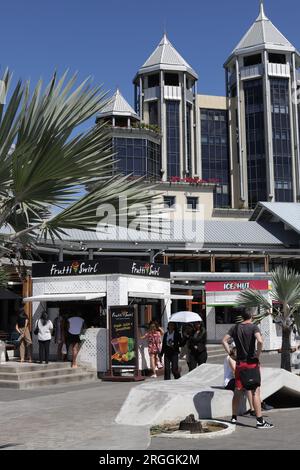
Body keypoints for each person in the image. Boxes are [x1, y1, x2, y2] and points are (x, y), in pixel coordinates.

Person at [222, 309, 274, 429]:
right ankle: (260, 421)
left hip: (240, 364)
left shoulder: (235, 328)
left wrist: (230, 353)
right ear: (251, 316)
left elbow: (224, 341)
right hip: (251, 364)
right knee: (255, 391)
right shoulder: (254, 327)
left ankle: (233, 418)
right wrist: (258, 354)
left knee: (238, 390)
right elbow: (260, 341)